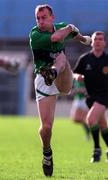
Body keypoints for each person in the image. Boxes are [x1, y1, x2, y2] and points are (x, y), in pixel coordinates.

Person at [29, 4, 91, 176]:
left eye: (44, 17)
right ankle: (47, 153)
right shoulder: (35, 35)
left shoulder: (61, 27)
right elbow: (58, 37)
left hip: (62, 77)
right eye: (38, 18)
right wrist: (71, 27)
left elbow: (74, 34)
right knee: (47, 127)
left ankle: (54, 71)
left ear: (52, 17)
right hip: (43, 79)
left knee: (61, 59)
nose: (41, 21)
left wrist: (84, 39)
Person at [74, 31, 108, 163]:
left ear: (104, 43)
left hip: (105, 96)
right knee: (102, 124)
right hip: (90, 97)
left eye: (101, 39)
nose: (98, 41)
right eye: (96, 39)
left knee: (90, 119)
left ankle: (96, 150)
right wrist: (77, 77)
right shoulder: (85, 59)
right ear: (91, 42)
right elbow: (74, 73)